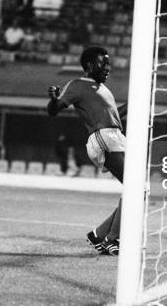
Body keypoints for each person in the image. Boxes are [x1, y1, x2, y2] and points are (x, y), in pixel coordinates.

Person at [47, 46, 127, 255]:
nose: (108, 67)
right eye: (104, 63)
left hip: (116, 136)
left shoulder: (104, 90)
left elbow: (116, 116)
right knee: (137, 188)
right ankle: (112, 239)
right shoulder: (77, 85)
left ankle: (98, 235)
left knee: (139, 190)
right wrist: (53, 99)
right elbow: (54, 110)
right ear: (90, 65)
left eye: (108, 63)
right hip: (104, 138)